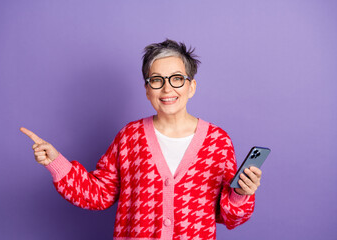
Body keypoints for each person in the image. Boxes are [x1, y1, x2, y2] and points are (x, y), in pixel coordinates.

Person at [20, 39, 262, 240]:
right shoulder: (129, 137)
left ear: (191, 86)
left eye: (177, 78)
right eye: (157, 80)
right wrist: (55, 162)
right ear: (147, 90)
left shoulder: (217, 143)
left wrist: (241, 193)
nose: (167, 89)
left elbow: (229, 217)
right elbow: (99, 194)